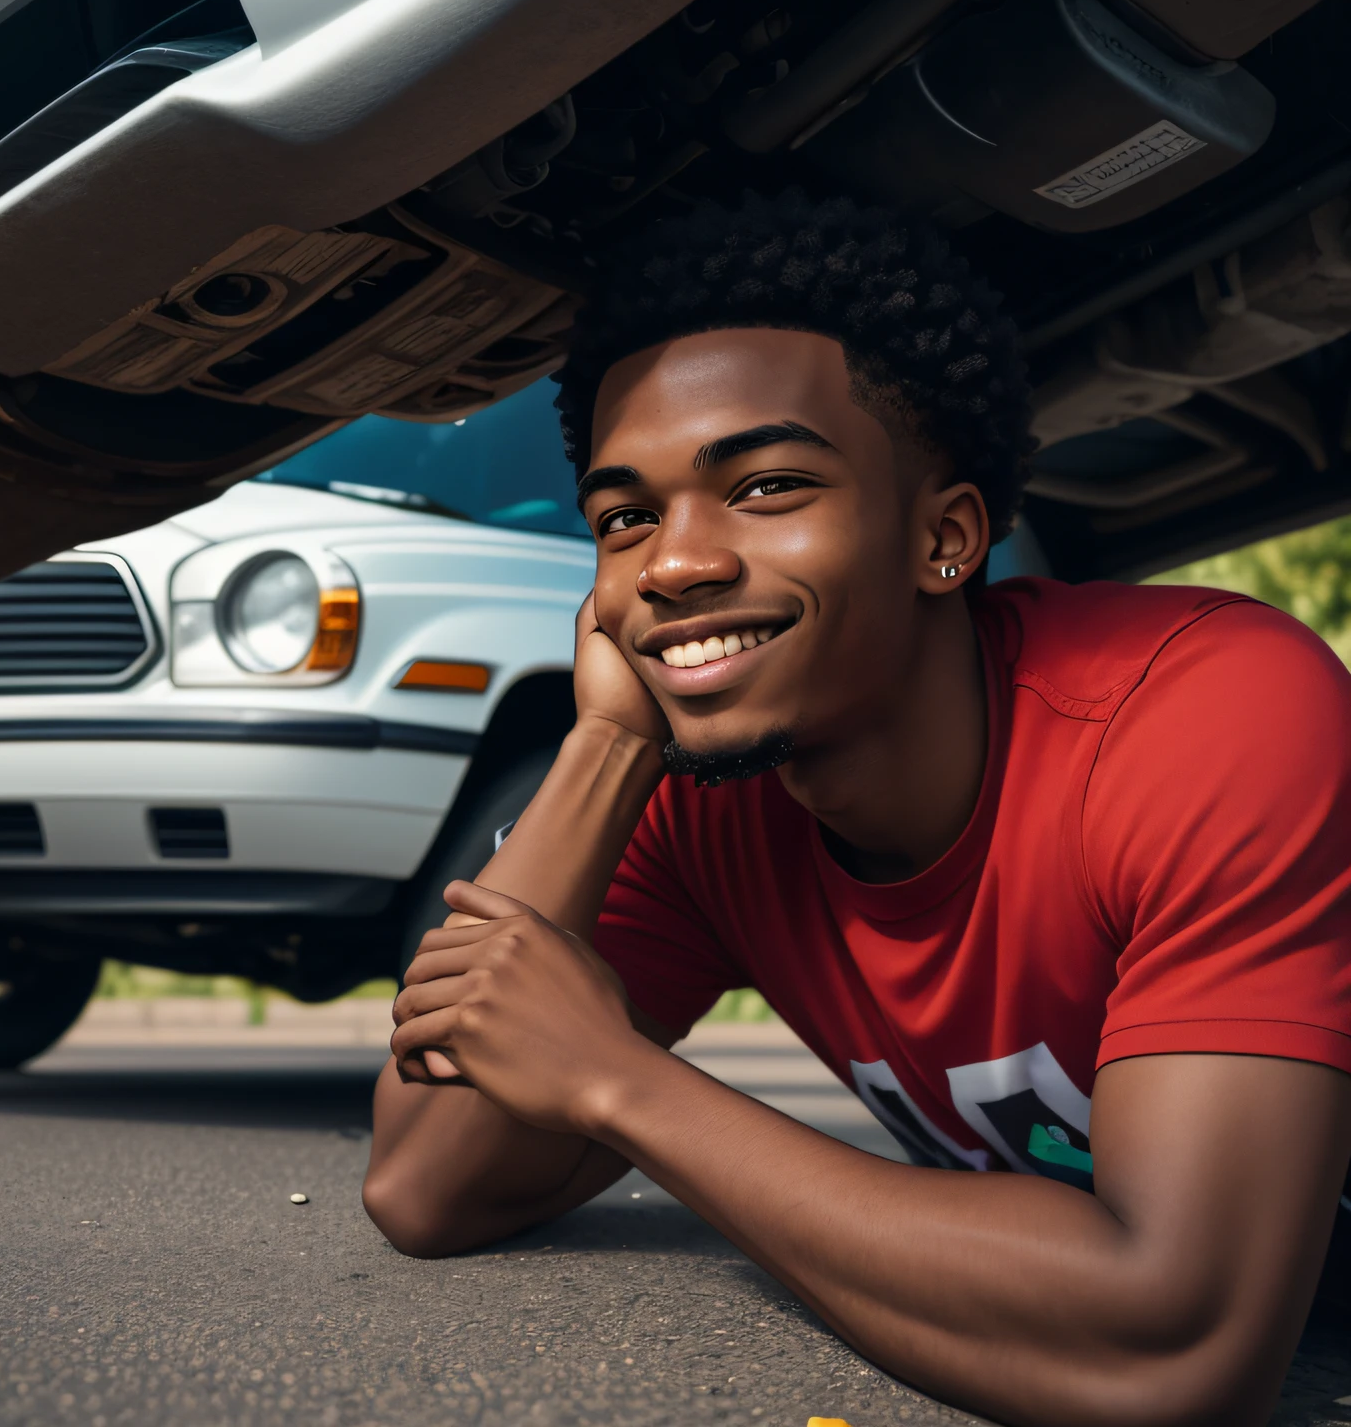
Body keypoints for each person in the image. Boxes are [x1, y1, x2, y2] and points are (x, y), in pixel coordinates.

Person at [362, 190, 1351, 1427]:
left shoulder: (1203, 709)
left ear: (945, 537)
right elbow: (425, 1184)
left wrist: (617, 1083)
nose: (672, 565)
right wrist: (609, 744)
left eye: (767, 486)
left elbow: (1182, 1351)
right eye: (625, 518)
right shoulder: (702, 808)